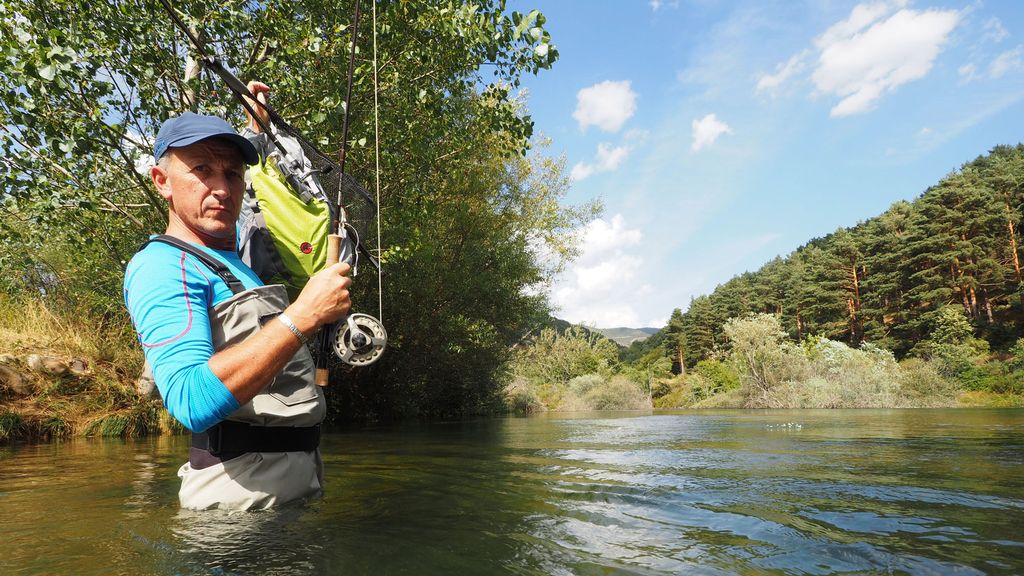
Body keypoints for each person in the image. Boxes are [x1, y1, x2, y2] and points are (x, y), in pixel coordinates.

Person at [123, 111, 352, 510]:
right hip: (237, 509)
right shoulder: (162, 265)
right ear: (162, 181)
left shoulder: (235, 262)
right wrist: (303, 316)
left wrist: (256, 128)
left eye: (232, 174)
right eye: (202, 170)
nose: (222, 189)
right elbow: (191, 400)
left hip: (288, 489)